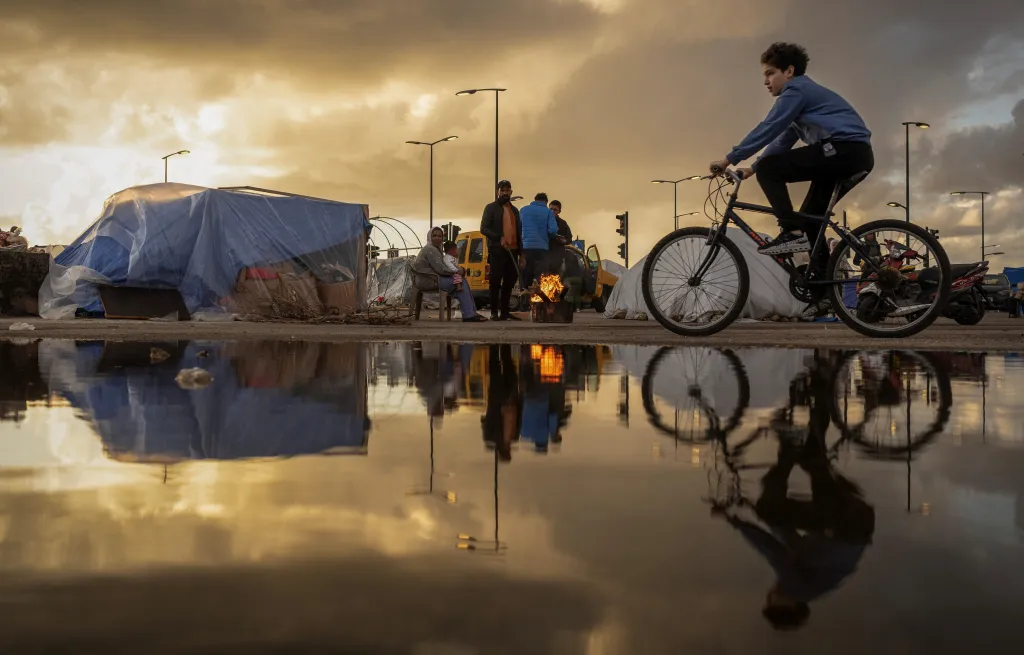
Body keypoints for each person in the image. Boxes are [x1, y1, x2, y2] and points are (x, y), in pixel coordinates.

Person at [709, 42, 874, 259]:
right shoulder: (803, 99)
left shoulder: (796, 90)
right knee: (810, 220)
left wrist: (728, 159)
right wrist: (752, 168)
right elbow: (782, 140)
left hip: (844, 150)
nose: (766, 82)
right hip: (853, 155)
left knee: (771, 170)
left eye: (770, 73)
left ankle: (790, 232)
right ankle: (823, 287)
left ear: (789, 71)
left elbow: (769, 127)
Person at [411, 227, 487, 322]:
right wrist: (458, 272)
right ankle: (469, 314)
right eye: (434, 235)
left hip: (428, 279)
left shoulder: (434, 249)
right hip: (429, 280)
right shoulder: (431, 250)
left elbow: (442, 268)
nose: (437, 238)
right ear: (429, 237)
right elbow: (441, 270)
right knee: (461, 281)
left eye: (440, 236)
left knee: (459, 281)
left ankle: (471, 313)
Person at [480, 180, 523, 321]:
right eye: (502, 190)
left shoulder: (515, 210)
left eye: (508, 190)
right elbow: (484, 228)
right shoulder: (491, 208)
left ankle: (505, 312)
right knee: (495, 282)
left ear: (511, 192)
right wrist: (498, 237)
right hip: (497, 251)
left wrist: (522, 254)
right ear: (498, 192)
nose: (505, 193)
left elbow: (519, 232)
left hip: (513, 251)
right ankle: (494, 312)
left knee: (510, 282)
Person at [518, 192, 560, 289]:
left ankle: (524, 301)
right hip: (541, 250)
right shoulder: (548, 212)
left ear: (535, 200)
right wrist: (549, 236)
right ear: (546, 202)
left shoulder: (523, 210)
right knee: (541, 280)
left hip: (526, 249)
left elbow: (518, 228)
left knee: (525, 279)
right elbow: (553, 230)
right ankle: (540, 303)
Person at [547, 200, 573, 275]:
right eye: (550, 209)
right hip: (545, 254)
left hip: (557, 255)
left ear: (559, 211)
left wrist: (564, 241)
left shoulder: (562, 223)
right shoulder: (544, 221)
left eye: (555, 210)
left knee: (555, 278)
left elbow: (569, 238)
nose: (552, 211)